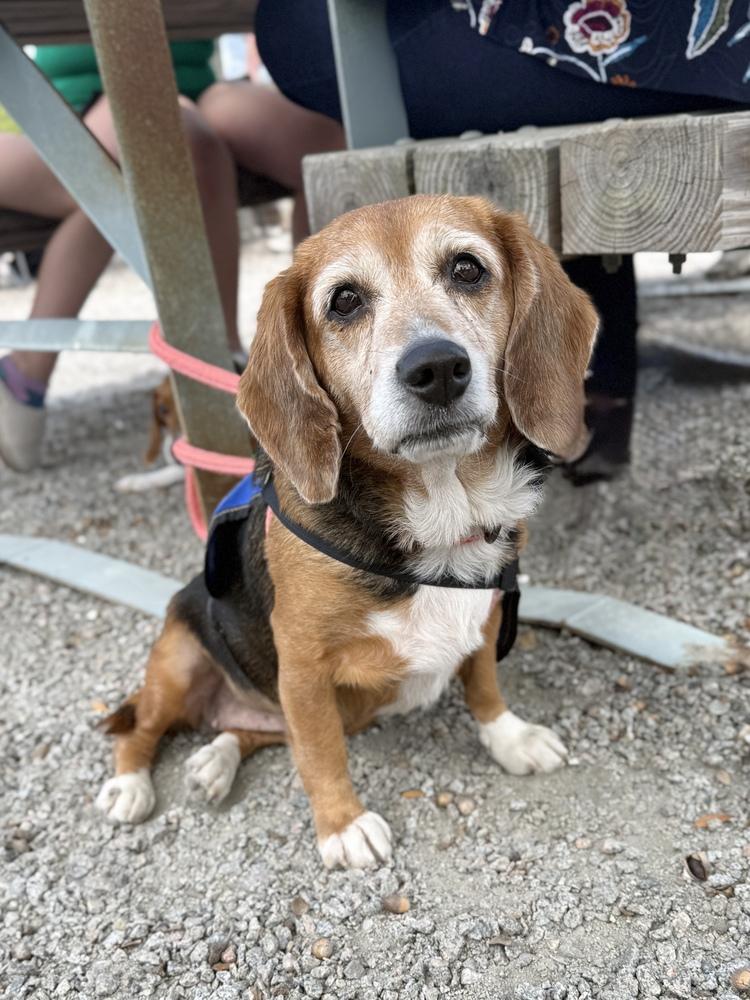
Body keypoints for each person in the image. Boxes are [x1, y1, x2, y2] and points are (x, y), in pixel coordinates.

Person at [253, 0, 750, 482]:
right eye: (348, 303)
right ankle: (594, 402)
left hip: (663, 40)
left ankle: (577, 408)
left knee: (295, 24)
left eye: (465, 273)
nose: (432, 359)